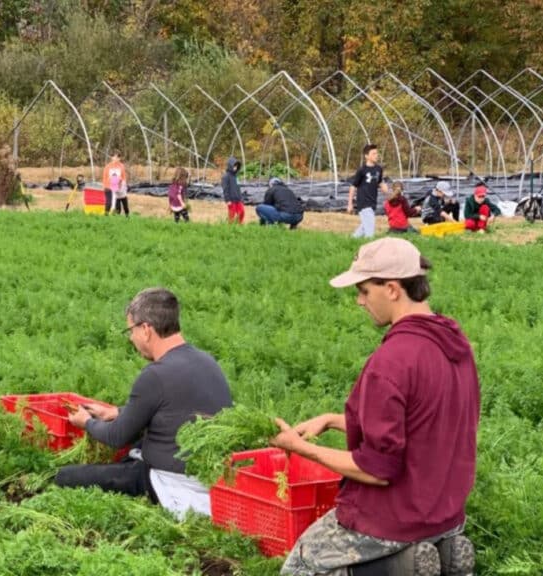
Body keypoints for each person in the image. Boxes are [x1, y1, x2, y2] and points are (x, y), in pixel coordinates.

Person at [271, 238, 479, 576]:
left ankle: (396, 567)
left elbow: (377, 471)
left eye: (365, 290)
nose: (359, 300)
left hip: (396, 517)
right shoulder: (455, 343)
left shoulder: (393, 360)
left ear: (393, 289)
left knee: (301, 565)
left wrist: (301, 448)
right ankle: (434, 553)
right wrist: (332, 420)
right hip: (447, 512)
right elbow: (423, 422)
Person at [55, 288, 232, 518]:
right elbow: (174, 408)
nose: (131, 338)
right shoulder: (207, 361)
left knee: (65, 477)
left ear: (146, 329)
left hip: (169, 478)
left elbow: (117, 438)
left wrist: (86, 422)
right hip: (208, 476)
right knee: (133, 449)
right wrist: (116, 412)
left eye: (131, 330)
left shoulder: (156, 375)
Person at [347, 144, 389, 238]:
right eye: (373, 154)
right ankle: (369, 248)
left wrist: (387, 191)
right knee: (370, 232)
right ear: (366, 156)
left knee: (364, 227)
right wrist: (350, 204)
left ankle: (352, 240)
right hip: (363, 203)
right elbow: (353, 186)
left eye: (377, 153)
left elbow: (380, 181)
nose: (376, 155)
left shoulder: (379, 169)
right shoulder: (362, 170)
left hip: (372, 202)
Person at [222, 157, 245, 224]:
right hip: (231, 200)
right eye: (234, 166)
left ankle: (239, 224)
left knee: (242, 212)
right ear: (230, 166)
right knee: (232, 214)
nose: (235, 167)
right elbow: (225, 189)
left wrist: (241, 198)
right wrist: (227, 200)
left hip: (238, 199)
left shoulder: (235, 176)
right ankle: (231, 226)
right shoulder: (226, 177)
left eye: (237, 166)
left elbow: (238, 188)